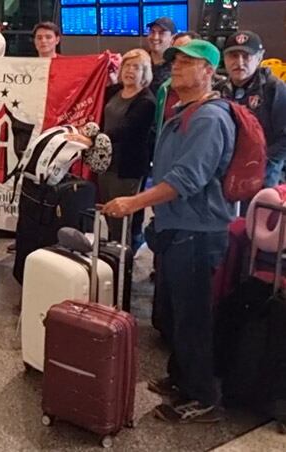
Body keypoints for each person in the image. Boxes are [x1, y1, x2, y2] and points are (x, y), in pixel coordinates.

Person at [103, 40, 234, 424]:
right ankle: (181, 377)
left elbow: (186, 178)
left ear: (208, 72)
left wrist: (134, 203)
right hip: (178, 225)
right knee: (177, 311)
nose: (176, 67)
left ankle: (204, 396)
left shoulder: (209, 119)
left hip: (197, 230)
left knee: (193, 315)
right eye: (176, 61)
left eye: (188, 63)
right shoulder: (184, 110)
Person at [98, 49, 156, 248]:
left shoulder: (146, 101)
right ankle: (113, 255)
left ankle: (123, 263)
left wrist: (94, 138)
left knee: (121, 219)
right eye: (127, 66)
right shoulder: (113, 91)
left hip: (127, 167)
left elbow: (126, 129)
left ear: (145, 72)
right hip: (105, 163)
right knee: (107, 211)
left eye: (136, 67)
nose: (130, 71)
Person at [218, 30, 286, 188]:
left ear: (260, 57)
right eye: (233, 56)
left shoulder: (274, 89)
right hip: (225, 176)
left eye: (246, 56)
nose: (239, 62)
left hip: (264, 177)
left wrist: (259, 163)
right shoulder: (219, 90)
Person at [146, 17, 176, 94]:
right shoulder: (140, 61)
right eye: (152, 32)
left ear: (172, 38)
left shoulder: (176, 67)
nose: (155, 37)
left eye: (161, 33)